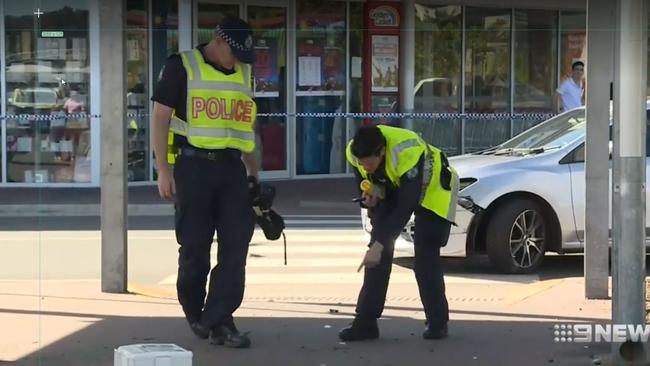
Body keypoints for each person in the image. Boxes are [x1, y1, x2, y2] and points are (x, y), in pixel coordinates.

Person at [151, 17, 261, 349]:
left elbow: (246, 127)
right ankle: (196, 312)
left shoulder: (242, 72)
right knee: (195, 247)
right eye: (235, 52)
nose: (239, 60)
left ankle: (221, 319)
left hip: (231, 169)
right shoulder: (181, 66)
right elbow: (160, 117)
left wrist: (254, 173)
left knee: (236, 246)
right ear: (219, 41)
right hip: (192, 167)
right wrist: (163, 170)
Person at [341, 124, 459, 342]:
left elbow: (406, 205)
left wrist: (378, 244)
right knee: (377, 258)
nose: (366, 167)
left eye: (371, 163)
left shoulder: (406, 151)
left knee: (425, 256)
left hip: (434, 190)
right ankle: (366, 322)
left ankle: (437, 321)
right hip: (396, 186)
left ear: (382, 152)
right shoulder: (354, 151)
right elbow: (365, 184)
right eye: (362, 163)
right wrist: (369, 198)